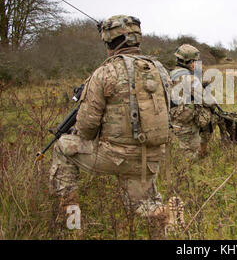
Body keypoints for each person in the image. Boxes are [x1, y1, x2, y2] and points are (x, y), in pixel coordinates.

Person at [49, 15, 183, 237]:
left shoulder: (105, 72)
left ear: (110, 42)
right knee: (142, 207)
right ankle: (165, 215)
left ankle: (70, 222)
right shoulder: (160, 70)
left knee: (63, 148)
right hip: (150, 157)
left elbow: (86, 127)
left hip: (115, 156)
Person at [169, 44, 217, 160]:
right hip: (186, 122)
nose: (195, 64)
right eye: (194, 61)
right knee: (190, 156)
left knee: (183, 150)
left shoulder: (169, 74)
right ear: (189, 61)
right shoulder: (190, 78)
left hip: (172, 118)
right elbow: (207, 100)